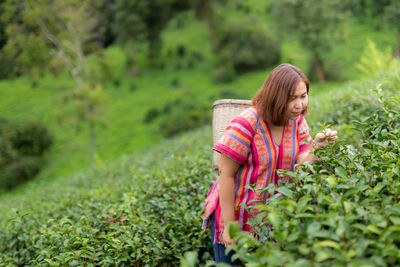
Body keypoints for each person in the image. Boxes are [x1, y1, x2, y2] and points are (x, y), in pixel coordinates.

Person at [202, 63, 338, 265]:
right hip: (234, 210)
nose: (299, 105)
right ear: (275, 96)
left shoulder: (297, 121)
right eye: (292, 98)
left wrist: (317, 147)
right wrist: (230, 227)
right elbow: (226, 174)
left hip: (268, 218)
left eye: (303, 96)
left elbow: (300, 167)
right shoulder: (247, 123)